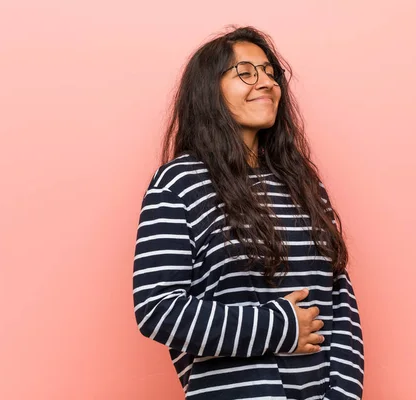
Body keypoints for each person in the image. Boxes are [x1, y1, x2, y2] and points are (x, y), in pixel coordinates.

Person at [132, 25, 364, 400]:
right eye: (246, 72)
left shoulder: (303, 184)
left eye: (271, 72)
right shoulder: (178, 183)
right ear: (209, 90)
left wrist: (343, 395)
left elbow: (339, 299)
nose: (267, 83)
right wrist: (280, 327)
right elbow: (157, 308)